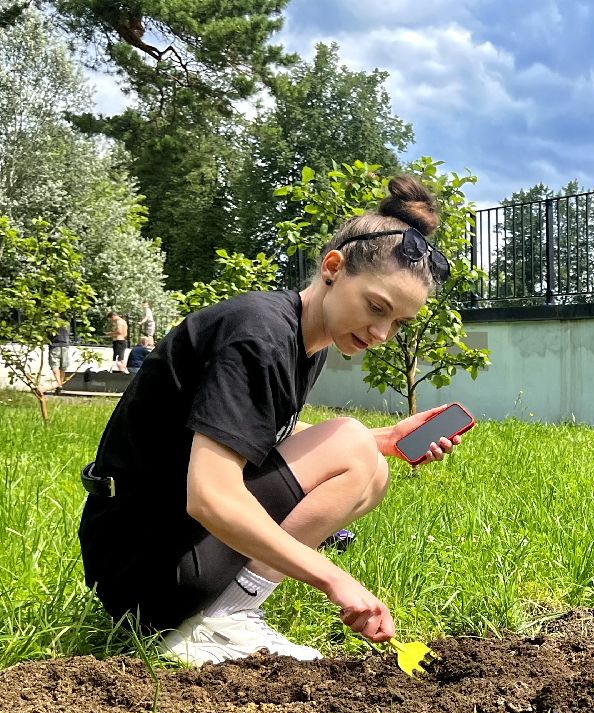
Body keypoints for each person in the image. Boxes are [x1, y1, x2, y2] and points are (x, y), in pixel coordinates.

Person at [78, 175, 461, 666]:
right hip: (145, 571)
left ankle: (226, 613)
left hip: (160, 550)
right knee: (350, 445)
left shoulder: (305, 339)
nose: (382, 333)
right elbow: (209, 495)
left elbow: (258, 430)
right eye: (375, 307)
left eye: (398, 322)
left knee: (369, 465)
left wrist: (384, 438)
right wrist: (332, 578)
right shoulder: (259, 336)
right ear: (333, 268)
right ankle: (218, 621)